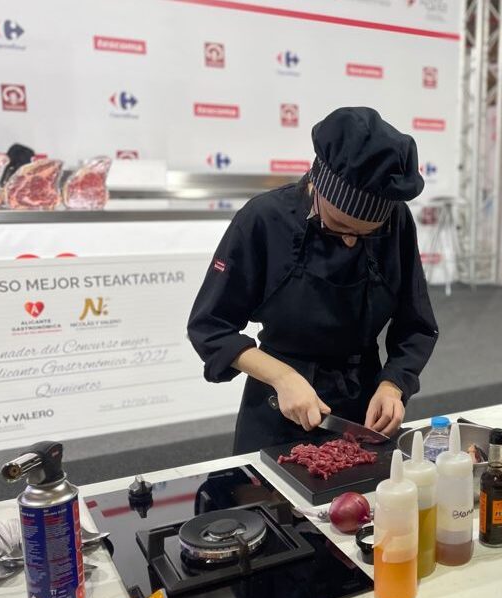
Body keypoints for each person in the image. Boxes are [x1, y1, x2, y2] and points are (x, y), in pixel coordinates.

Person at [188, 107, 439, 454]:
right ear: (317, 185)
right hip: (279, 406)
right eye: (339, 227)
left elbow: (417, 324)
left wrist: (393, 384)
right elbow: (210, 327)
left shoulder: (396, 221)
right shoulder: (263, 220)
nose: (351, 241)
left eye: (365, 234)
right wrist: (283, 377)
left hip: (364, 408)